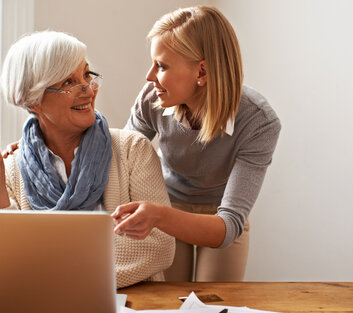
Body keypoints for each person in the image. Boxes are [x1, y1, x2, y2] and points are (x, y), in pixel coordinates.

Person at [0, 30, 175, 289]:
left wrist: (45, 267)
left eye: (86, 75)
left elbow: (158, 245)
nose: (87, 89)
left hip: (131, 310)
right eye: (67, 82)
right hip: (41, 312)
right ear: (34, 100)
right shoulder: (10, 167)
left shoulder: (134, 150)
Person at [112, 6, 281, 282]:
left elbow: (228, 225)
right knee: (165, 307)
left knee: (216, 308)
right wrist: (36, 142)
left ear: (201, 70)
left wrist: (159, 217)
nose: (149, 76)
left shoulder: (259, 122)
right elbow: (120, 156)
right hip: (165, 204)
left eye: (162, 65)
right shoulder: (153, 98)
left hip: (219, 218)